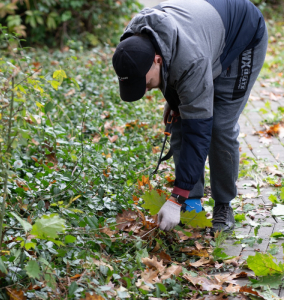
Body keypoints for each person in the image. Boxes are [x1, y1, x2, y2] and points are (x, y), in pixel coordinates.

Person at [112, 0, 268, 234]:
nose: (144, 91)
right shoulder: (135, 41)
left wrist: (174, 198)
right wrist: (174, 102)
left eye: (145, 84)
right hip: (202, 35)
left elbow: (199, 131)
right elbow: (170, 69)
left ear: (156, 61)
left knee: (219, 127)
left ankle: (223, 205)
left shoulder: (190, 59)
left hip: (241, 36)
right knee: (180, 119)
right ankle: (192, 202)